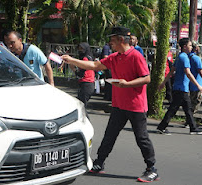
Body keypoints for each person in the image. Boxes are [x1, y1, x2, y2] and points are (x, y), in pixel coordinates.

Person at [62, 26, 159, 183]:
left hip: (136, 106)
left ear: (121, 40)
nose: (110, 43)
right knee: (110, 135)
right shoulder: (115, 57)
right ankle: (99, 162)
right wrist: (71, 60)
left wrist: (126, 84)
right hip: (119, 105)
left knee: (142, 138)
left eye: (112, 40)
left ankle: (151, 169)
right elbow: (94, 66)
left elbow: (146, 78)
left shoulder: (136, 56)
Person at [156, 38, 202, 135]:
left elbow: (171, 71)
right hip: (182, 88)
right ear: (184, 46)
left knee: (187, 109)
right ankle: (162, 127)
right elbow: (188, 73)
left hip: (179, 87)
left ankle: (193, 128)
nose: (191, 47)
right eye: (190, 45)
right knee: (174, 109)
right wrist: (198, 86)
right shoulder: (184, 58)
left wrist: (163, 83)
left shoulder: (180, 57)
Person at [67, 43, 95, 107]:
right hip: (88, 83)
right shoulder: (89, 57)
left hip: (86, 84)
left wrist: (73, 68)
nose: (80, 50)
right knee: (81, 105)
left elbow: (81, 74)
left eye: (82, 49)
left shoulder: (85, 59)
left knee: (81, 106)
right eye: (79, 48)